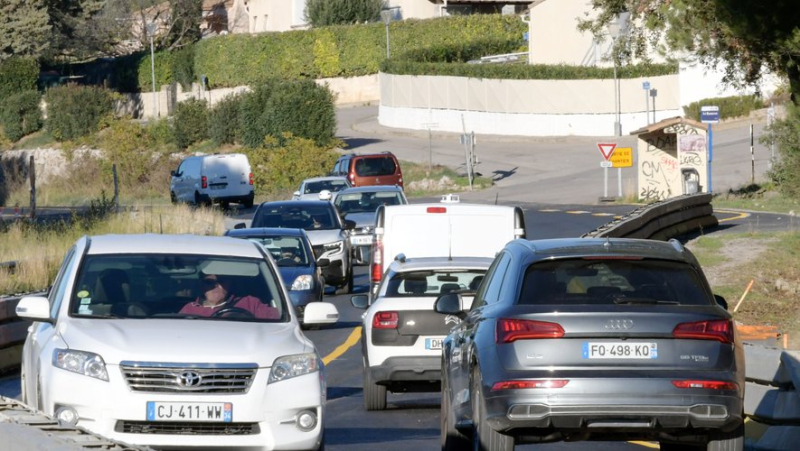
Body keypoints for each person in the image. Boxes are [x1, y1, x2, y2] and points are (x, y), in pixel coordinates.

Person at [179, 273, 280, 319]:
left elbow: (281, 324)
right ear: (201, 285)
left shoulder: (250, 303)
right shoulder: (189, 310)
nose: (216, 286)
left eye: (222, 282)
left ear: (230, 283)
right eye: (209, 282)